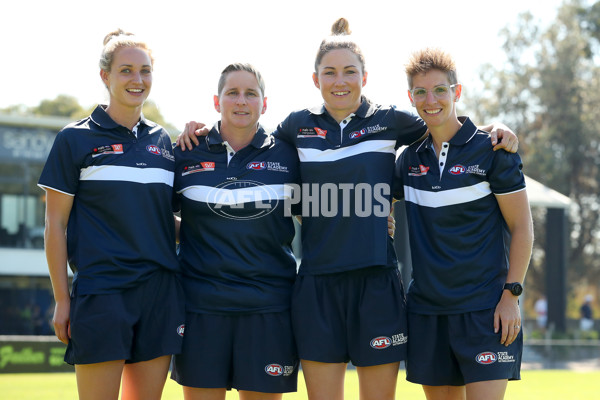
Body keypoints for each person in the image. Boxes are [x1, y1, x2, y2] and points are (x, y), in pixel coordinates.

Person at [178, 18, 518, 400]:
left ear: (365, 77)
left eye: (349, 72)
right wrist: (202, 129)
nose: (340, 81)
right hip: (317, 287)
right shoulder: (295, 127)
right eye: (330, 72)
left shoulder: (390, 120)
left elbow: (442, 121)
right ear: (315, 79)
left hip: (377, 285)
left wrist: (492, 128)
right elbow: (244, 129)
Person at [38, 29, 184, 400]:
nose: (138, 80)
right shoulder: (74, 139)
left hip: (159, 293)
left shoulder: (163, 142)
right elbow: (55, 225)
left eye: (145, 71)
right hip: (102, 292)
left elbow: (162, 220)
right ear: (106, 76)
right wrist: (61, 299)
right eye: (127, 70)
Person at [394, 47, 534, 400]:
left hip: (486, 313)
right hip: (427, 313)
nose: (431, 99)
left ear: (456, 92)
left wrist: (511, 295)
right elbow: (370, 196)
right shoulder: (407, 161)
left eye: (440, 90)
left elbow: (522, 228)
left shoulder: (493, 150)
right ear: (411, 98)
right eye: (421, 92)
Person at [170, 63, 301, 400]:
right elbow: (154, 220)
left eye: (250, 93)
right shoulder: (185, 153)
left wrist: (377, 219)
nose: (241, 101)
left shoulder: (290, 156)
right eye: (233, 93)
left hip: (269, 309)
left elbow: (318, 218)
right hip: (201, 308)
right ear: (217, 101)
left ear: (264, 103)